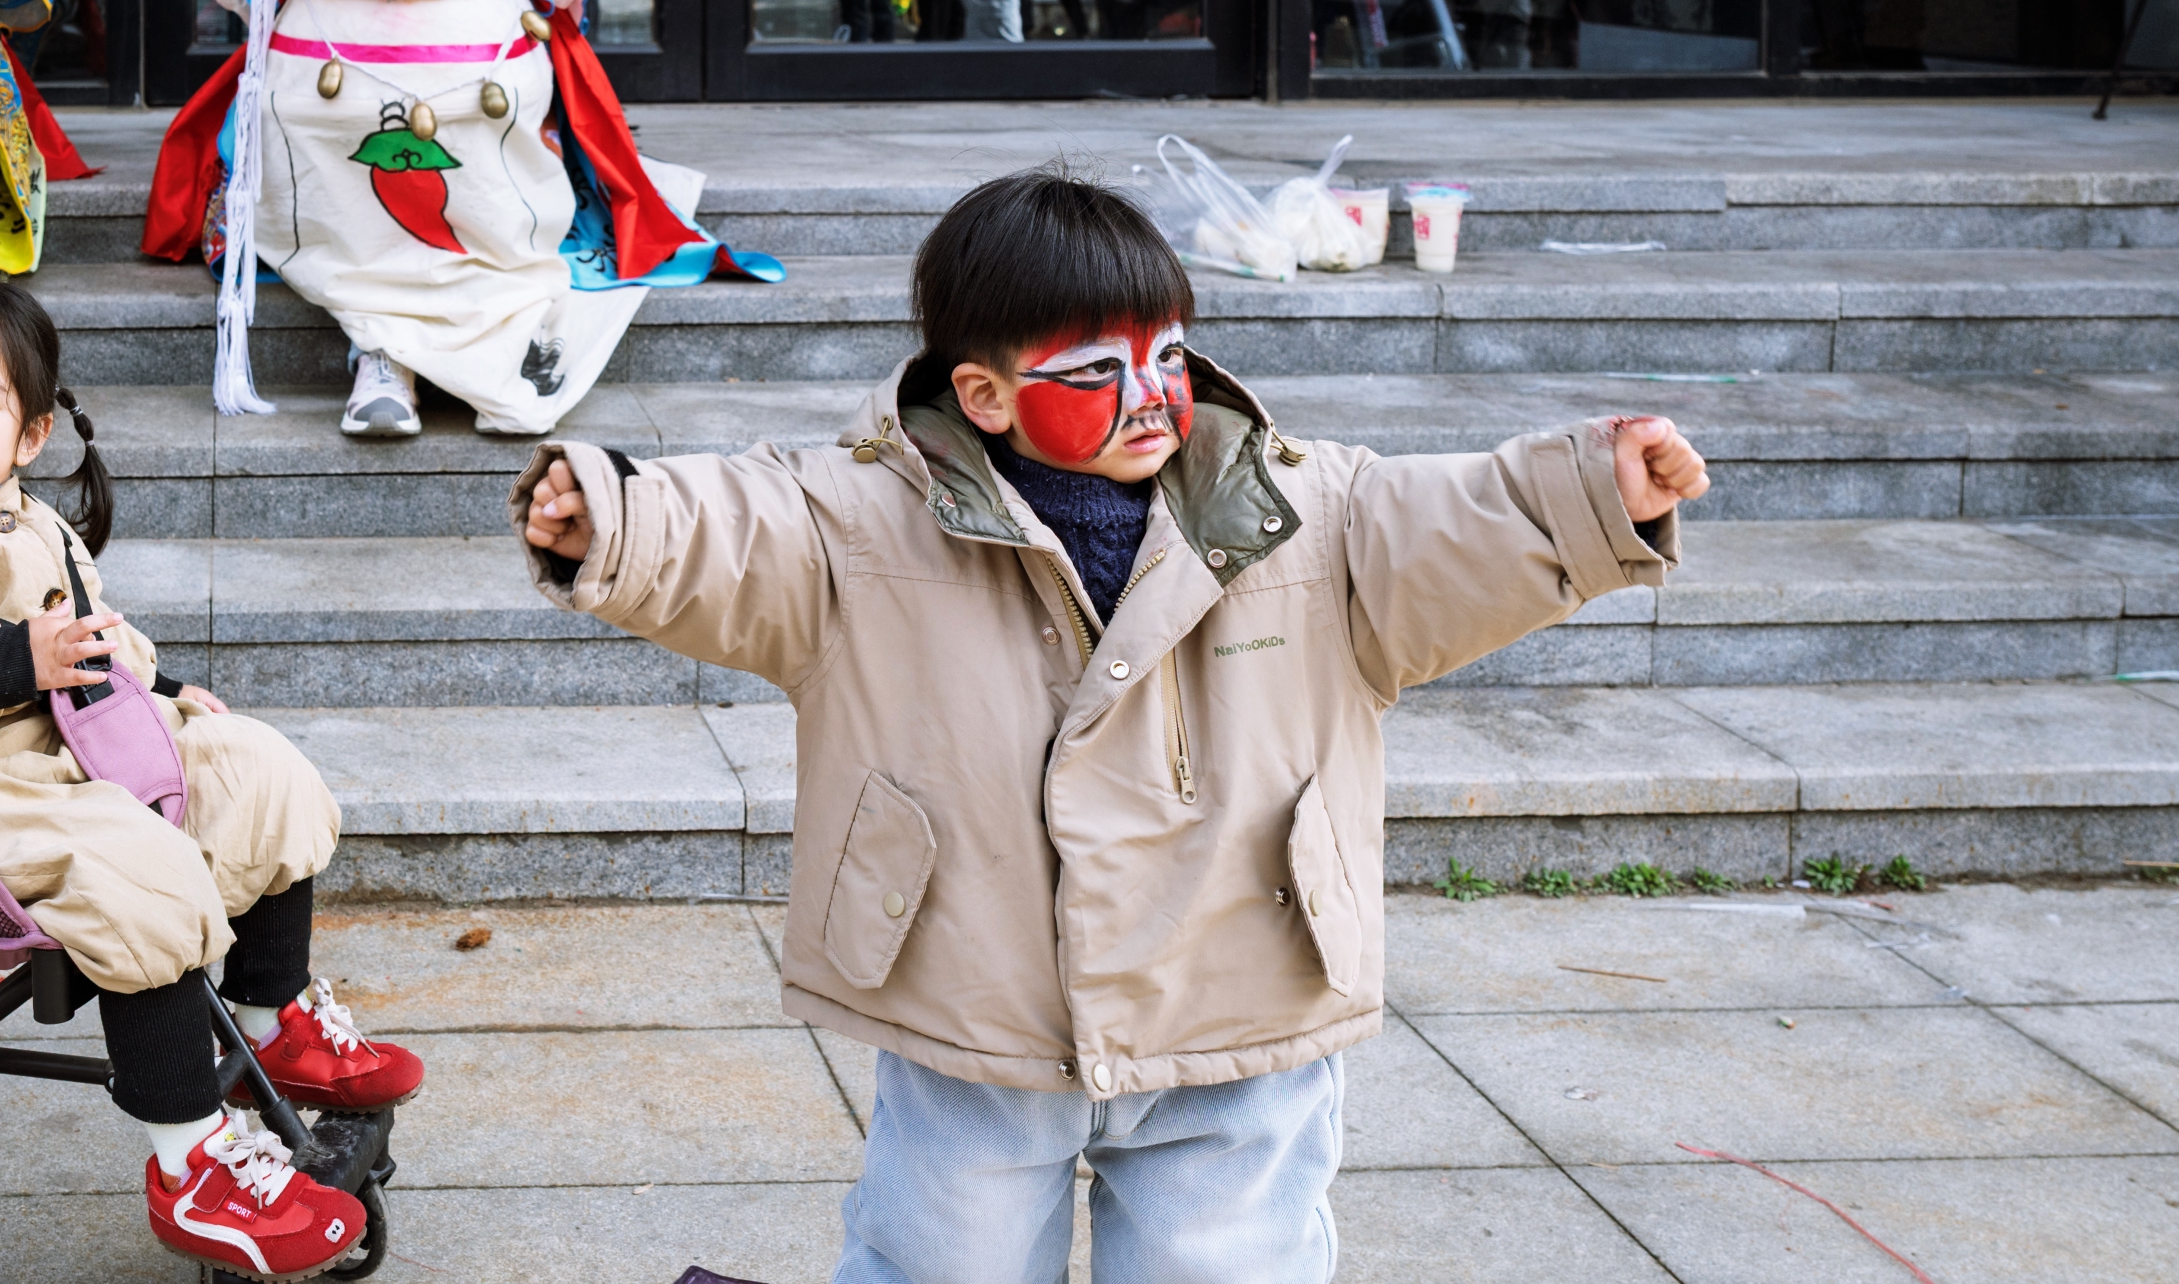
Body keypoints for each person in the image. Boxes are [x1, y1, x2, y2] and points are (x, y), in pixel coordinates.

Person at [516, 169, 1705, 1284]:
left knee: (1230, 1258)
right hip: (976, 998)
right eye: (1094, 369)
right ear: (983, 394)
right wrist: (615, 515)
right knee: (947, 1257)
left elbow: (1457, 520)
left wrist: (1591, 493)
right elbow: (736, 528)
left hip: (1237, 987)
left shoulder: (1309, 510)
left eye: (1168, 353)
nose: (1149, 393)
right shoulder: (860, 521)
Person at [0, 274, 424, 1273]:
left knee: (261, 770)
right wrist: (6, 661)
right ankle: (192, 1165)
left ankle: (273, 1021)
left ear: (29, 435)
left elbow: (95, 629)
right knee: (139, 871)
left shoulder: (25, 514)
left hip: (85, 749)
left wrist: (159, 683)